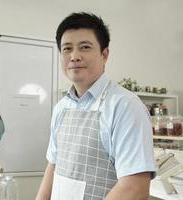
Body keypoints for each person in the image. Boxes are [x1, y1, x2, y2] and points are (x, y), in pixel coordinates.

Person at [36, 12, 155, 200]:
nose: (74, 56)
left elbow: (135, 188)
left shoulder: (125, 106)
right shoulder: (61, 108)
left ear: (104, 54)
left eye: (84, 47)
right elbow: (53, 165)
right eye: (67, 49)